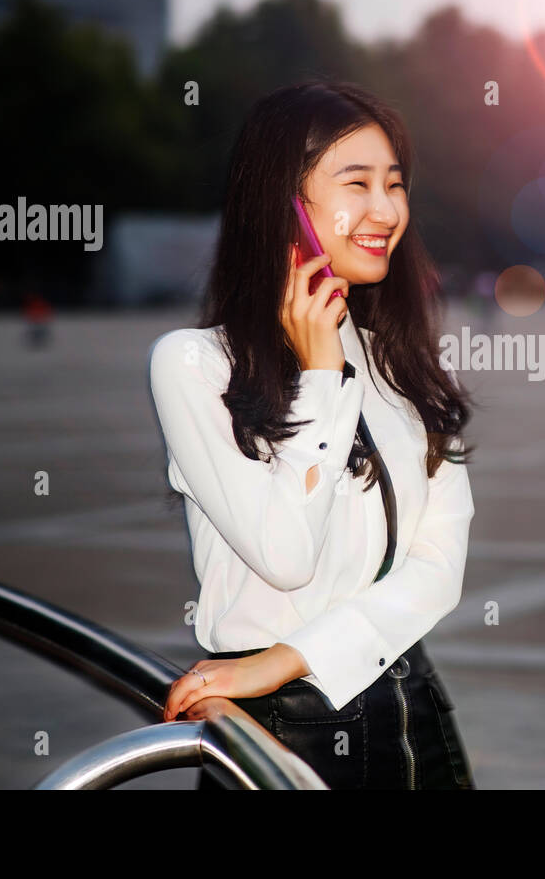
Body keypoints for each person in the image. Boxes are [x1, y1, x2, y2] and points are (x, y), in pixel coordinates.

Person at [149, 81, 478, 789]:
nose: (386, 209)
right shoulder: (195, 365)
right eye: (355, 183)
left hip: (414, 715)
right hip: (286, 733)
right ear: (284, 207)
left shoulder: (400, 360)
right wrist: (321, 377)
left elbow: (439, 566)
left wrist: (286, 655)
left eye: (394, 184)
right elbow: (285, 553)